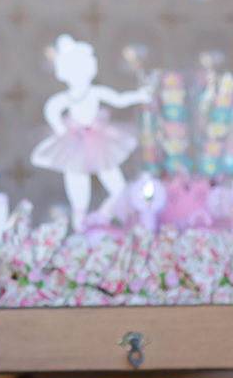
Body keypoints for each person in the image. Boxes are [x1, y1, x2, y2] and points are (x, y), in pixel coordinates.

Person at [30, 34, 151, 232]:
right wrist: (59, 127)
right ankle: (80, 225)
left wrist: (138, 96)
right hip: (75, 143)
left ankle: (105, 215)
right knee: (77, 183)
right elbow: (51, 108)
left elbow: (118, 99)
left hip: (99, 140)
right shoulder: (65, 97)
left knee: (117, 184)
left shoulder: (94, 92)